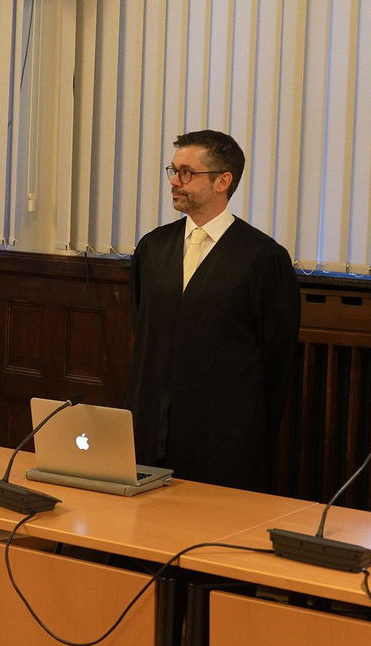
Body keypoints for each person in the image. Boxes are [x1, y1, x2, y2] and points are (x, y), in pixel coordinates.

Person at [128, 130, 300, 493]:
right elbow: (142, 328)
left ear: (223, 181)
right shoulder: (153, 247)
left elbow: (277, 355)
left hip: (225, 436)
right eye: (172, 171)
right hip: (151, 427)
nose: (175, 181)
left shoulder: (263, 257)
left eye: (187, 173)